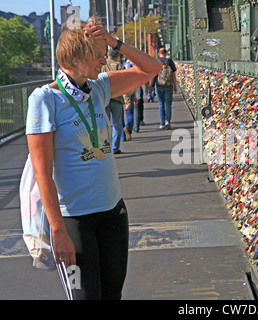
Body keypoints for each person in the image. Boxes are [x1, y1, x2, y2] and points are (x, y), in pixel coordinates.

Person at [25, 18, 163, 300]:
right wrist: (58, 231)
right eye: (97, 55)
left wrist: (115, 42)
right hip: (74, 221)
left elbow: (153, 68)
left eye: (104, 53)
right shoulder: (46, 100)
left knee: (113, 294)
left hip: (113, 213)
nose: (104, 59)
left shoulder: (98, 87)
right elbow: (42, 174)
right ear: (76, 58)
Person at [101, 49, 131, 154]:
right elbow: (124, 85)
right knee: (117, 124)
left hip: (104, 98)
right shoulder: (120, 67)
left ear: (108, 54)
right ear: (117, 56)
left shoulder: (102, 66)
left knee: (104, 124)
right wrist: (127, 101)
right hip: (117, 98)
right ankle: (115, 148)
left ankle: (105, 147)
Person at [153, 48, 177, 130]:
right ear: (166, 53)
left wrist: (150, 86)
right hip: (169, 85)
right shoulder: (169, 61)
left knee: (161, 104)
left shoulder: (157, 61)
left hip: (159, 85)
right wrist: (175, 86)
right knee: (168, 104)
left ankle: (162, 123)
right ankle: (168, 121)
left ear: (159, 53)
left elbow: (154, 74)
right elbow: (174, 75)